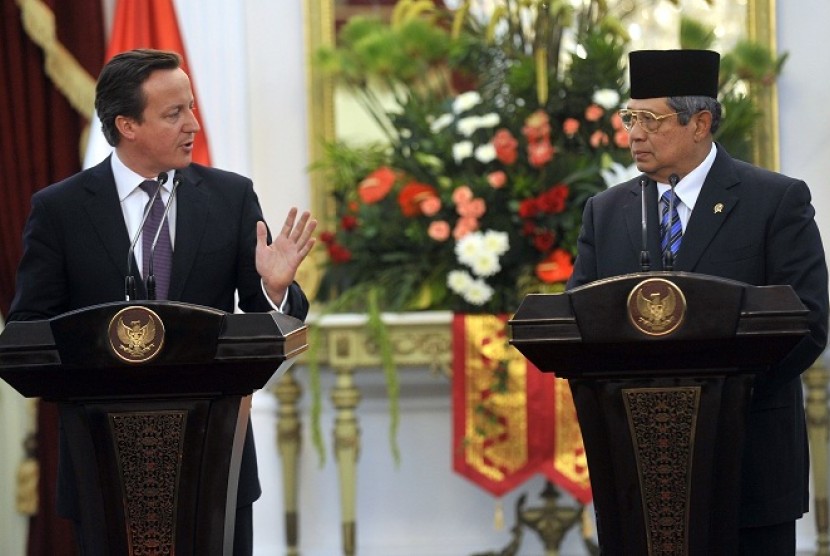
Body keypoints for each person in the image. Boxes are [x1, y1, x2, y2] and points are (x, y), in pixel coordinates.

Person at [6, 48, 317, 554]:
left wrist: (274, 288)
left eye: (190, 107)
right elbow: (27, 330)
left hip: (215, 462)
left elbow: (261, 329)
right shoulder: (59, 210)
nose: (193, 123)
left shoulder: (230, 197)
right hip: (102, 464)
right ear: (126, 124)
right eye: (174, 114)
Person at [567, 49, 829, 554]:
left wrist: (718, 399)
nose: (634, 133)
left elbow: (807, 323)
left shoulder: (773, 200)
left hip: (747, 457)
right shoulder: (605, 211)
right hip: (637, 467)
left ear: (700, 122)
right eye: (629, 118)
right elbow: (578, 320)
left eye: (650, 119)